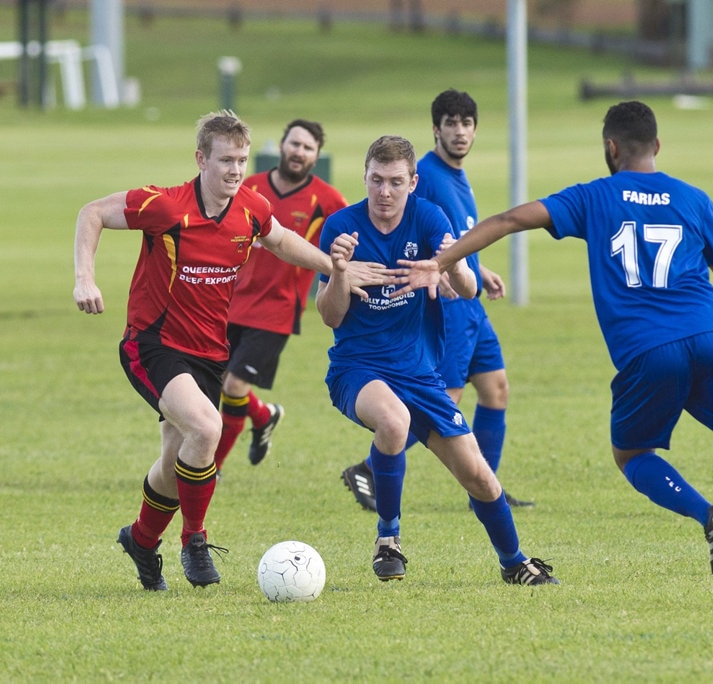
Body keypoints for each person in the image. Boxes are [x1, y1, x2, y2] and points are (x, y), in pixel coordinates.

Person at [392, 101, 713, 605]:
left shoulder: (595, 196)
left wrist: (439, 262)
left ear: (610, 148)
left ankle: (707, 515)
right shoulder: (693, 198)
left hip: (648, 352)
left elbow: (508, 220)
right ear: (657, 146)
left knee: (632, 453)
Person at [73, 110, 382, 591]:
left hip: (209, 353)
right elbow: (91, 212)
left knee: (177, 464)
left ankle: (139, 539)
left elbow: (280, 241)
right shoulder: (166, 206)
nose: (235, 170)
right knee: (206, 427)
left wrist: (334, 269)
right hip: (153, 345)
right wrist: (84, 278)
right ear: (200, 159)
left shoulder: (250, 208)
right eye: (225, 161)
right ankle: (193, 540)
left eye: (241, 160)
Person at [317, 134, 558, 586]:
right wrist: (340, 273)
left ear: (413, 182)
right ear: (364, 178)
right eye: (375, 180)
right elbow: (330, 316)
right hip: (357, 368)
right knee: (392, 422)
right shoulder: (340, 229)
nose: (384, 192)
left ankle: (513, 562)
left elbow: (467, 289)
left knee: (481, 480)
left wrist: (448, 267)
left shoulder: (428, 217)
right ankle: (388, 539)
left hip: (420, 374)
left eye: (394, 182)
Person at [341, 89, 533, 511]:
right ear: (436, 130)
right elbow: (418, 239)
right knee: (446, 397)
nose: (460, 132)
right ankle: (370, 469)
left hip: (471, 300)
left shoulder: (456, 175)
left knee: (495, 388)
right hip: (448, 304)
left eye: (467, 123)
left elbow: (454, 241)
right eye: (451, 123)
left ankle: (486, 487)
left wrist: (477, 270)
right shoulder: (426, 176)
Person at [213, 119, 347, 472]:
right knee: (216, 382)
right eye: (294, 144)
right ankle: (263, 416)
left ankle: (211, 468)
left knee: (235, 382)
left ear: (316, 156)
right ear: (282, 146)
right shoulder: (249, 187)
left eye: (307, 148)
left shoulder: (327, 200)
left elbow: (351, 238)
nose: (299, 152)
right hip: (229, 302)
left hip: (277, 309)